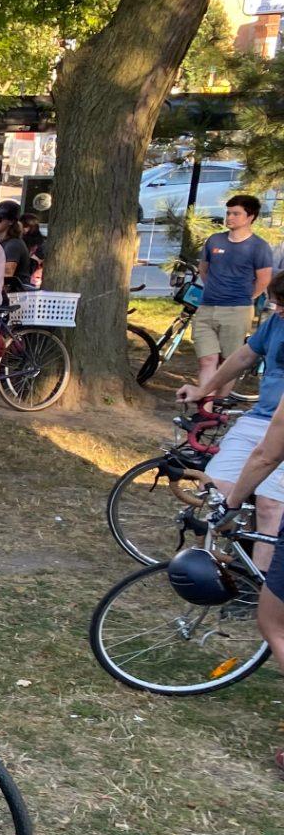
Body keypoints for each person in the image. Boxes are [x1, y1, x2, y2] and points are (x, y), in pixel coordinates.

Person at [177, 273, 284, 574]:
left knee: (270, 505)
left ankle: (256, 582)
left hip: (282, 426)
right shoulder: (276, 322)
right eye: (276, 304)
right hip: (260, 419)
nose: (278, 311)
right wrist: (204, 389)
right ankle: (208, 566)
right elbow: (244, 356)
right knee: (214, 489)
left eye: (283, 305)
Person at [194, 197, 275, 407]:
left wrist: (246, 298)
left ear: (250, 217)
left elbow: (264, 278)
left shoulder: (259, 247)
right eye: (228, 212)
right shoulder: (214, 241)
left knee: (228, 363)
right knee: (207, 360)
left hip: (237, 310)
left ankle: (217, 406)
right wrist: (214, 289)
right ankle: (205, 408)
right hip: (207, 307)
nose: (230, 217)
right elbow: (204, 269)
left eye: (236, 213)